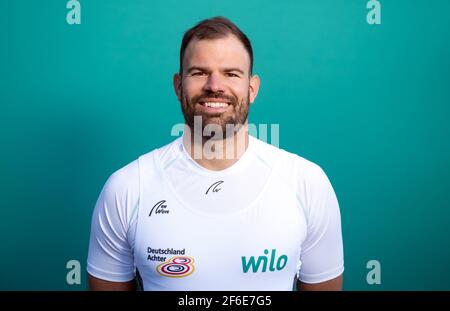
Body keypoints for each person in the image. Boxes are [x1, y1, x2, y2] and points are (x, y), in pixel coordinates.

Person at [87, 16, 344, 291]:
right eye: (198, 72)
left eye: (231, 73)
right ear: (178, 86)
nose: (214, 85)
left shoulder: (307, 184)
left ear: (252, 88)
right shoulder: (127, 188)